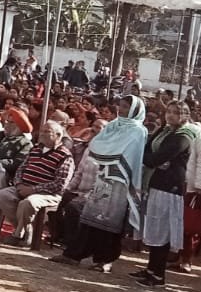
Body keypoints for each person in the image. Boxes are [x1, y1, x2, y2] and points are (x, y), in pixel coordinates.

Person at [57, 97, 147, 272]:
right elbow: (97, 144)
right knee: (89, 216)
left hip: (120, 180)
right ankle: (75, 254)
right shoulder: (113, 125)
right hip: (103, 175)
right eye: (121, 106)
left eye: (126, 107)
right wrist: (108, 154)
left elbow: (130, 155)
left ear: (135, 110)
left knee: (111, 221)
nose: (122, 110)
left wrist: (111, 155)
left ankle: (104, 259)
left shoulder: (138, 131)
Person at [135, 103, 192, 286]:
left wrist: (152, 160)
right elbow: (147, 149)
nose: (171, 116)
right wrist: (151, 159)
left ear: (184, 115)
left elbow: (157, 158)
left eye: (176, 113)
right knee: (153, 227)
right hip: (155, 182)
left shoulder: (183, 136)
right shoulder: (164, 131)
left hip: (169, 186)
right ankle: (151, 268)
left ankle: (158, 274)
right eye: (169, 112)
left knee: (162, 229)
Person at [0, 120, 74, 247]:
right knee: (3, 195)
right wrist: (19, 184)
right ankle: (26, 230)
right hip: (24, 186)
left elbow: (60, 183)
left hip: (47, 193)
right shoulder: (35, 149)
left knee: (28, 203)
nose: (42, 134)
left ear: (58, 135)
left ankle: (18, 235)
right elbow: (21, 169)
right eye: (42, 131)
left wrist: (34, 190)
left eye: (47, 131)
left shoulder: (65, 156)